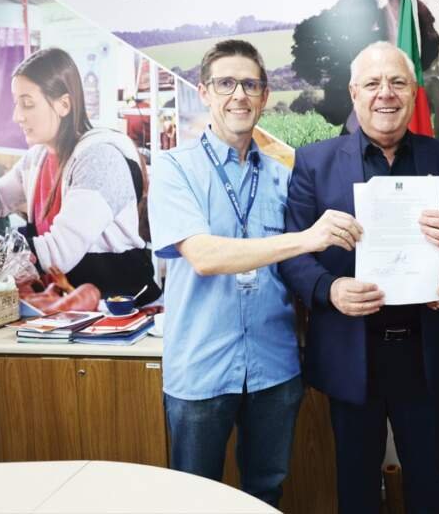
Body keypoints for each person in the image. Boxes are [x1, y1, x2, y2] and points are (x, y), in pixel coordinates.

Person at [279, 41, 439, 513]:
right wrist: (329, 288)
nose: (385, 93)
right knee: (355, 485)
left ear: (414, 92)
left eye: (397, 82)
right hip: (351, 351)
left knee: (427, 484)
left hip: (426, 350)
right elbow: (292, 256)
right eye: (373, 83)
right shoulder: (314, 163)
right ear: (354, 92)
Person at [147, 39, 360, 507]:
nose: (239, 95)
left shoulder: (286, 177)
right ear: (204, 92)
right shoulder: (173, 169)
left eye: (250, 84)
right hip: (201, 368)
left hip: (274, 368)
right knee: (192, 499)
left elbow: (306, 267)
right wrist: (306, 238)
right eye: (226, 83)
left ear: (265, 95)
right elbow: (204, 255)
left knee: (266, 493)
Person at [0, 47, 160, 304]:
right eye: (17, 103)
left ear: (64, 104)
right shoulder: (38, 157)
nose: (17, 116)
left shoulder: (100, 160)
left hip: (119, 306)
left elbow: (59, 251)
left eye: (28, 104)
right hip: (66, 304)